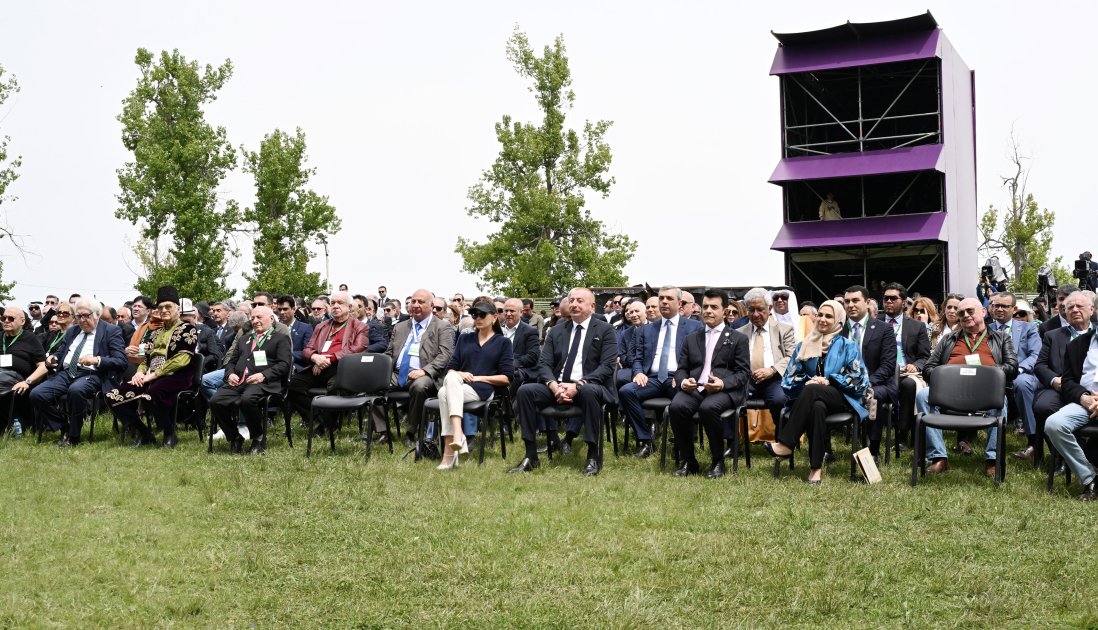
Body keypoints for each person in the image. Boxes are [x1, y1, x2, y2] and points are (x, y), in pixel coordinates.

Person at [510, 287, 617, 476]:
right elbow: (544, 364)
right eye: (572, 300)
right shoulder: (557, 331)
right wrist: (553, 385)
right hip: (557, 386)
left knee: (589, 391)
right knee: (525, 391)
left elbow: (607, 366)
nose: (574, 304)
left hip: (589, 387)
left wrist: (578, 385)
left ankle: (593, 456)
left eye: (579, 301)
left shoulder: (605, 330)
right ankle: (530, 455)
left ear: (592, 306)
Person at [765, 300, 869, 484]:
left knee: (814, 391)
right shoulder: (803, 345)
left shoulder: (848, 346)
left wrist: (830, 380)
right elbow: (788, 381)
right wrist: (808, 381)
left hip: (842, 399)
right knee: (817, 407)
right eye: (820, 314)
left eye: (828, 316)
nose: (822, 319)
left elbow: (859, 380)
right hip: (810, 400)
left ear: (838, 321)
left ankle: (787, 443)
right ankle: (815, 469)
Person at [916, 297, 1018, 476]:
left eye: (970, 311)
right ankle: (938, 457)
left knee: (1001, 399)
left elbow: (1012, 367)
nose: (964, 315)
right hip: (950, 393)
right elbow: (928, 369)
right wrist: (949, 377)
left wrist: (987, 374)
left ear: (984, 313)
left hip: (986, 393)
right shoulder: (948, 339)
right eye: (961, 313)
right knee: (923, 395)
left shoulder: (1001, 338)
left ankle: (992, 460)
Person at [667, 289, 750, 478]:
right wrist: (682, 382)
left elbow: (743, 373)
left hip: (724, 390)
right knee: (677, 406)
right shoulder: (691, 338)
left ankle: (718, 461)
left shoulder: (738, 339)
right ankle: (688, 460)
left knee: (708, 408)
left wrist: (723, 383)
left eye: (714, 307)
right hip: (696, 387)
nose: (708, 311)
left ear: (724, 311)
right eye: (705, 306)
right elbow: (681, 369)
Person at [106, 286, 198, 448]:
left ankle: (169, 433)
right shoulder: (155, 333)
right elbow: (146, 359)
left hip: (177, 376)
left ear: (177, 309)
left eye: (168, 307)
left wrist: (152, 375)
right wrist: (140, 373)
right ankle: (144, 433)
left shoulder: (188, 329)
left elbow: (181, 360)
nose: (163, 310)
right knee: (113, 397)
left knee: (151, 396)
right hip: (151, 376)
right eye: (160, 307)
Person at [29, 298, 127, 446]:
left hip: (92, 374)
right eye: (78, 316)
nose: (81, 320)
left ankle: (74, 437)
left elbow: (121, 361)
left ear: (97, 314)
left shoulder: (110, 331)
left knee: (76, 390)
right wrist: (53, 358)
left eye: (85, 315)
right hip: (66, 373)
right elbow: (61, 352)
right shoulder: (72, 331)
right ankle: (64, 427)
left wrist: (97, 360)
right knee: (37, 394)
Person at [619, 287, 704, 458]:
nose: (664, 301)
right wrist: (637, 373)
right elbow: (637, 358)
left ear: (680, 304)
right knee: (626, 391)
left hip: (678, 378)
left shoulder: (695, 327)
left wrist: (683, 377)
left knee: (685, 400)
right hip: (653, 379)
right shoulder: (647, 329)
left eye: (669, 298)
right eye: (661, 298)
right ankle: (646, 440)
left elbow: (700, 360)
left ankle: (680, 442)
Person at [435, 302, 514, 469]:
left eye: (482, 315)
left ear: (494, 317)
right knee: (446, 388)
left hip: (484, 389)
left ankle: (450, 452)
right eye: (474, 315)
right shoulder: (465, 338)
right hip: (460, 386)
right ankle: (458, 434)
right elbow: (450, 368)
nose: (478, 318)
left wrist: (479, 378)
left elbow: (506, 378)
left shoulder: (503, 342)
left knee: (444, 391)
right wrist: (460, 374)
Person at [373, 288, 453, 445]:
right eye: (414, 301)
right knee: (373, 383)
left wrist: (424, 371)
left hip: (426, 374)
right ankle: (384, 432)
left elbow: (445, 355)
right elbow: (389, 353)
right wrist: (380, 370)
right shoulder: (400, 327)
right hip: (397, 373)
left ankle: (411, 432)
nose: (415, 305)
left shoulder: (441, 327)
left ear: (431, 306)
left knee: (420, 386)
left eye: (421, 302)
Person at [209, 306, 293, 454]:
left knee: (247, 400)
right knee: (216, 401)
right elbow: (231, 362)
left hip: (264, 383)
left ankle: (258, 437)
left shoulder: (280, 339)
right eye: (253, 318)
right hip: (240, 382)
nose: (255, 321)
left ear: (271, 319)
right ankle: (235, 437)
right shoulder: (244, 339)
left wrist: (264, 375)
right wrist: (229, 374)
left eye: (259, 317)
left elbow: (284, 364)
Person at [288, 291, 369, 433]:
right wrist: (315, 358)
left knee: (335, 386)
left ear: (350, 307)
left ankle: (327, 425)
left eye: (340, 303)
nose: (335, 306)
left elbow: (357, 349)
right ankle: (322, 419)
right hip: (318, 366)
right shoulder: (322, 326)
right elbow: (307, 349)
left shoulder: (359, 326)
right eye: (333, 303)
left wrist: (328, 359)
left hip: (342, 368)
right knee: (293, 385)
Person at [1044, 306, 1098, 500]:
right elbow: (1067, 381)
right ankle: (1089, 478)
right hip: (1086, 401)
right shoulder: (1078, 345)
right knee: (1054, 424)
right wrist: (1084, 397)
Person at [843, 285, 897, 460]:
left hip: (877, 383)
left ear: (867, 303)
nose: (850, 305)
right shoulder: (839, 330)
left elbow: (888, 365)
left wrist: (867, 381)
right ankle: (826, 450)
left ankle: (873, 450)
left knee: (873, 395)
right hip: (845, 383)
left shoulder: (883, 329)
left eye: (855, 300)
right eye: (847, 301)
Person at [986, 292, 1042, 460]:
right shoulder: (985, 329)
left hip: (1021, 373)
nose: (1000, 309)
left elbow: (1035, 354)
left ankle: (1033, 442)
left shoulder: (1028, 328)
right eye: (996, 306)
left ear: (1014, 308)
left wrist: (1018, 369)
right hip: (992, 374)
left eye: (1004, 306)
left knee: (1022, 384)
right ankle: (980, 442)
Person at [1034, 292, 1094, 441]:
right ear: (1065, 313)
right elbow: (1040, 365)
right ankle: (1060, 454)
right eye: (1070, 307)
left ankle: (1088, 449)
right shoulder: (1052, 336)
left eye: (1079, 306)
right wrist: (1054, 380)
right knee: (1043, 406)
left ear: (1091, 309)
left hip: (1094, 387)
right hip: (1061, 387)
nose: (1074, 310)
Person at [736, 288, 796, 433]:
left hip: (774, 378)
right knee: (729, 398)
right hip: (747, 380)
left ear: (769, 308)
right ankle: (733, 443)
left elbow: (791, 356)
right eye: (751, 310)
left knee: (780, 400)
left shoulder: (784, 330)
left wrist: (772, 370)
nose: (756, 314)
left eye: (760, 309)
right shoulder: (739, 332)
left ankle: (782, 441)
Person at [879, 282, 931, 452]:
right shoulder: (874, 324)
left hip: (905, 372)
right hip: (881, 372)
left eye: (893, 298)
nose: (888, 301)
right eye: (886, 298)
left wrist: (915, 365)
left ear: (903, 302)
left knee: (909, 385)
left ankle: (902, 436)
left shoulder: (917, 326)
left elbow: (924, 356)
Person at [0, 307, 47, 434]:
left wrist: (27, 382)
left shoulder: (30, 338)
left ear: (22, 321)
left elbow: (43, 367)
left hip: (16, 377)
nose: (6, 321)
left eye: (11, 318)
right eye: (3, 318)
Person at [500, 298, 539, 389]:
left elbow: (532, 356)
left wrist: (511, 363)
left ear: (521, 313)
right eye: (506, 311)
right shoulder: (498, 330)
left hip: (519, 369)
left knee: (513, 374)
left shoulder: (530, 331)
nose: (508, 314)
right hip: (498, 367)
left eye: (512, 311)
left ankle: (506, 403)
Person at [276, 294, 314, 370]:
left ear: (293, 309)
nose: (282, 312)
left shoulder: (305, 328)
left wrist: (285, 355)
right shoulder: (273, 328)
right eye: (279, 309)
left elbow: (307, 352)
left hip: (296, 367)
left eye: (285, 309)